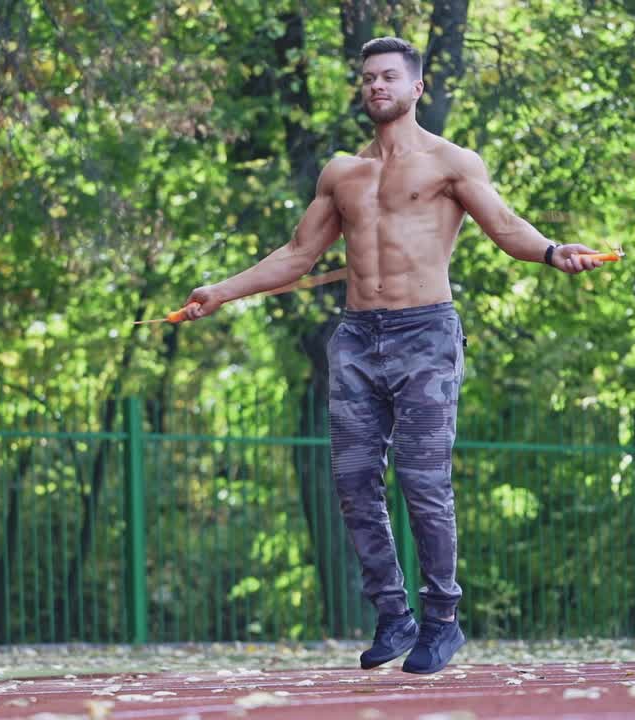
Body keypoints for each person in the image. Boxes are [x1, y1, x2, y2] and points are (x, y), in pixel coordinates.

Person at [182, 37, 603, 674]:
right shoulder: (342, 173)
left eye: (388, 77)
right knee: (353, 483)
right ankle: (392, 613)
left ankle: (442, 620)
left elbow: (507, 227)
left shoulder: (452, 163)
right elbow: (298, 256)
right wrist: (220, 291)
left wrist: (552, 251)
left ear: (416, 89)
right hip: (356, 337)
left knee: (422, 479)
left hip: (425, 334)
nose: (376, 86)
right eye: (368, 78)